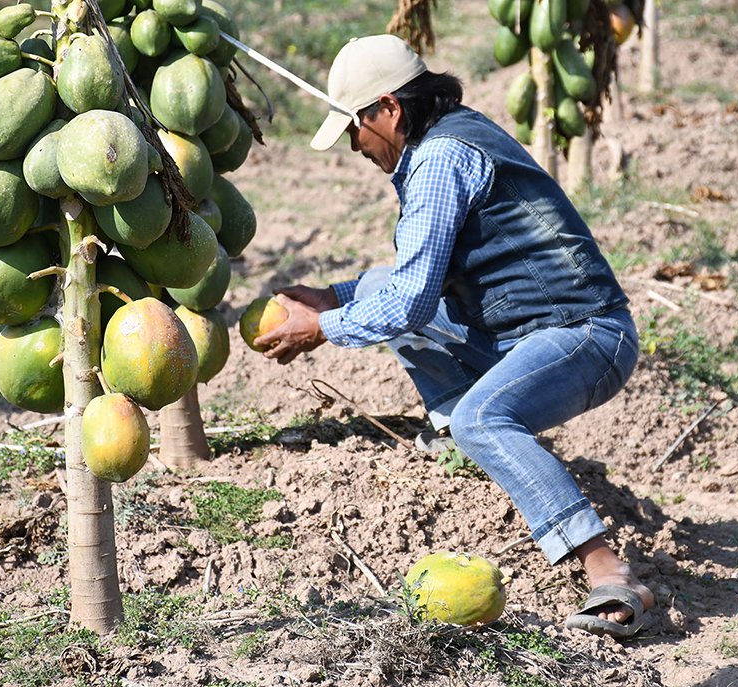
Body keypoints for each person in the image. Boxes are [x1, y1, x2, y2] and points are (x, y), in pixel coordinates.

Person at [254, 34, 654, 637]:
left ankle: (608, 570)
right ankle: (465, 448)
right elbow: (408, 280)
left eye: (355, 131)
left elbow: (412, 302)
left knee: (482, 419)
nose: (355, 148)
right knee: (375, 299)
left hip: (584, 334)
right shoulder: (448, 137)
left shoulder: (440, 160)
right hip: (525, 330)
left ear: (387, 110)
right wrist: (336, 296)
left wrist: (322, 328)